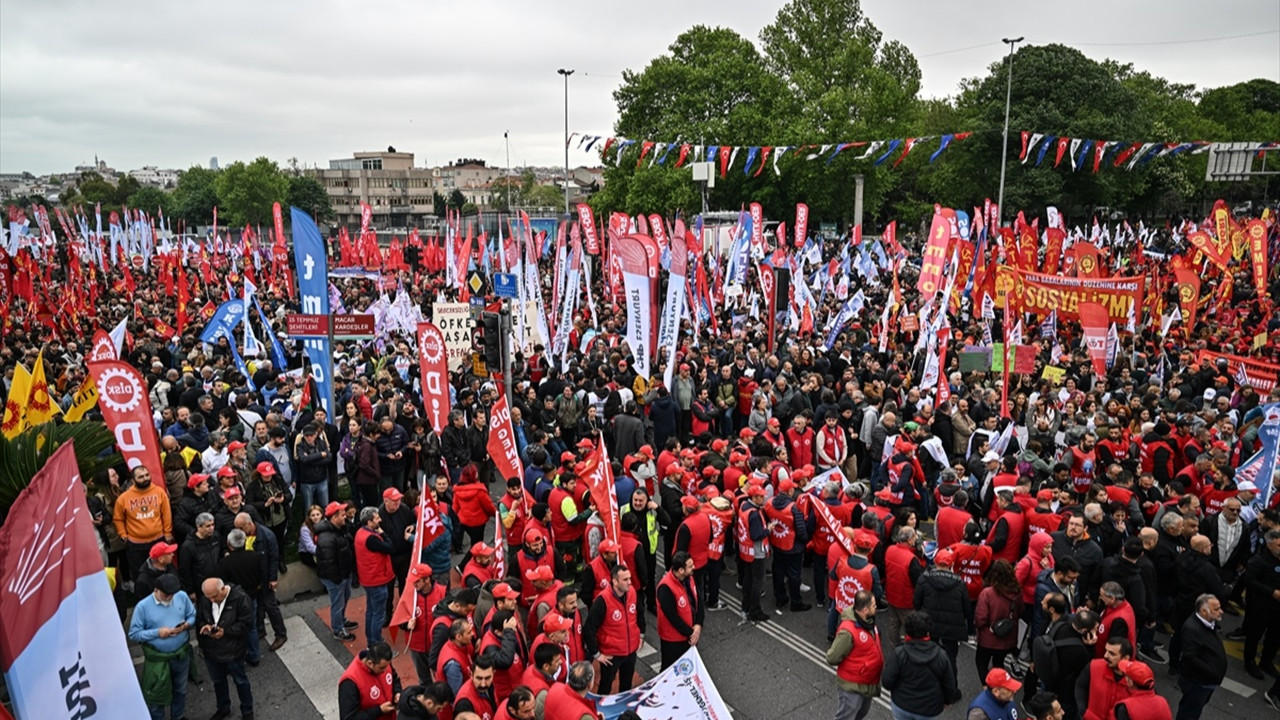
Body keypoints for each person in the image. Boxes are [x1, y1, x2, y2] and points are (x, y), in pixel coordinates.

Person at [128, 574, 197, 720]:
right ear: (156, 590)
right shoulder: (143, 607)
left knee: (180, 689)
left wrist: (186, 625)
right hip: (158, 660)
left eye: (172, 595)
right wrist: (158, 633)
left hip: (181, 655)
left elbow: (192, 614)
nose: (170, 598)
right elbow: (134, 634)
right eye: (166, 595)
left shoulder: (181, 596)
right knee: (156, 695)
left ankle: (178, 716)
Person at [881, 611, 960, 720]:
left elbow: (887, 681)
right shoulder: (941, 655)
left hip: (902, 705)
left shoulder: (900, 653)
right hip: (929, 709)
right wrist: (947, 701)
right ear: (928, 633)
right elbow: (949, 684)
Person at [196, 577, 255, 720]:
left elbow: (246, 624)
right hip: (211, 651)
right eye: (208, 597)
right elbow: (200, 618)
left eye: (214, 597)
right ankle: (223, 708)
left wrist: (226, 632)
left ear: (222, 589)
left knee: (240, 681)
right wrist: (205, 626)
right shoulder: (206, 599)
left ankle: (247, 712)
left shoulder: (240, 598)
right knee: (218, 682)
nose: (211, 600)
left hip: (233, 651)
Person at [584, 563, 645, 693]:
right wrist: (597, 654)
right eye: (625, 580)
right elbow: (589, 629)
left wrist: (641, 635)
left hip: (630, 651)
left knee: (626, 684)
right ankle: (601, 711)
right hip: (611, 654)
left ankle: (623, 708)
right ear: (614, 581)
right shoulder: (602, 601)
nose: (629, 582)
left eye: (629, 578)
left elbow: (639, 613)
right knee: (606, 685)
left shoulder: (632, 592)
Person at [913, 547, 969, 686]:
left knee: (928, 654)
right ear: (951, 565)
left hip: (929, 624)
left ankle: (928, 683)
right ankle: (951, 688)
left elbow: (916, 602)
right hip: (952, 627)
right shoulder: (960, 584)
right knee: (950, 658)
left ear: (935, 562)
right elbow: (967, 608)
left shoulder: (924, 579)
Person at [825, 590, 883, 720]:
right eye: (873, 605)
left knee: (860, 714)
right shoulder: (848, 631)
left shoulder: (868, 621)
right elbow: (832, 657)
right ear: (865, 610)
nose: (876, 607)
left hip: (867, 682)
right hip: (853, 686)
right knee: (846, 717)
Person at [356, 506, 408, 647]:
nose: (380, 519)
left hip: (369, 579)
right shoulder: (372, 539)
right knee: (378, 614)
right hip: (377, 579)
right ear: (369, 522)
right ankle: (376, 643)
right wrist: (383, 533)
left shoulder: (360, 533)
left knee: (371, 611)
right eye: (377, 518)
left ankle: (371, 640)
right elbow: (390, 548)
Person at [113, 465, 174, 580]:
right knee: (140, 575)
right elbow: (118, 519)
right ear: (133, 480)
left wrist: (168, 533)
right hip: (136, 545)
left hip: (158, 540)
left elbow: (166, 514)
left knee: (163, 571)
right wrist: (123, 535)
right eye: (141, 477)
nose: (145, 478)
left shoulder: (159, 492)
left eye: (147, 475)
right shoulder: (123, 498)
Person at [1175, 594, 1226, 720]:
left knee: (1195, 710)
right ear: (1203, 611)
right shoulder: (1192, 629)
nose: (1221, 611)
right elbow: (1190, 657)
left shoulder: (1208, 623)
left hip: (1206, 681)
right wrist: (1212, 672)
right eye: (1216, 609)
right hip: (1198, 682)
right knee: (1189, 713)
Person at [315, 501, 358, 640]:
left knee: (344, 598)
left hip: (343, 573)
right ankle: (338, 629)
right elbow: (329, 563)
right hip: (336, 577)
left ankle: (341, 620)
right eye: (342, 515)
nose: (345, 516)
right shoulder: (326, 537)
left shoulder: (340, 529)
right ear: (334, 518)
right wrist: (338, 579)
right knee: (338, 603)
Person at [1243, 528, 1280, 680]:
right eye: (1279, 545)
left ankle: (1266, 661)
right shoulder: (1258, 561)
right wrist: (1271, 592)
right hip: (1261, 605)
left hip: (1278, 608)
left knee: (1275, 636)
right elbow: (1249, 581)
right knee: (1254, 635)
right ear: (1270, 545)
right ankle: (1249, 661)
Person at [656, 550, 704, 669]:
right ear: (681, 570)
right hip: (673, 641)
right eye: (690, 566)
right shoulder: (665, 588)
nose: (694, 567)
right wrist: (691, 633)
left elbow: (699, 600)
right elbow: (672, 617)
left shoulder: (689, 578)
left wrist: (698, 624)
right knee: (670, 670)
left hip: (690, 635)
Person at [338, 641, 401, 720]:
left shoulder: (384, 663)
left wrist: (397, 692)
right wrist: (379, 710)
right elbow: (349, 718)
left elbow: (394, 679)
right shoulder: (350, 682)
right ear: (370, 663)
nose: (385, 670)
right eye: (382, 668)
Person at [737, 483, 772, 622]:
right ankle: (755, 610)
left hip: (746, 550)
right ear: (755, 497)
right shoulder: (755, 514)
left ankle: (745, 606)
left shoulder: (744, 506)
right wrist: (769, 529)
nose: (764, 498)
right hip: (756, 552)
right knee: (757, 582)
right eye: (762, 496)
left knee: (748, 579)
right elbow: (756, 534)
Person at [1076, 637, 1133, 720]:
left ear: (1125, 658)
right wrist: (1083, 710)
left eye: (1112, 654)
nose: (1105, 656)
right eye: (1106, 651)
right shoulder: (1094, 666)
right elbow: (1080, 685)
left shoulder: (1137, 679)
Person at [453, 649, 498, 718]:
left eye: (487, 678)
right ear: (471, 674)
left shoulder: (490, 686)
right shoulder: (464, 704)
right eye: (479, 678)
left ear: (493, 673)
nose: (483, 684)